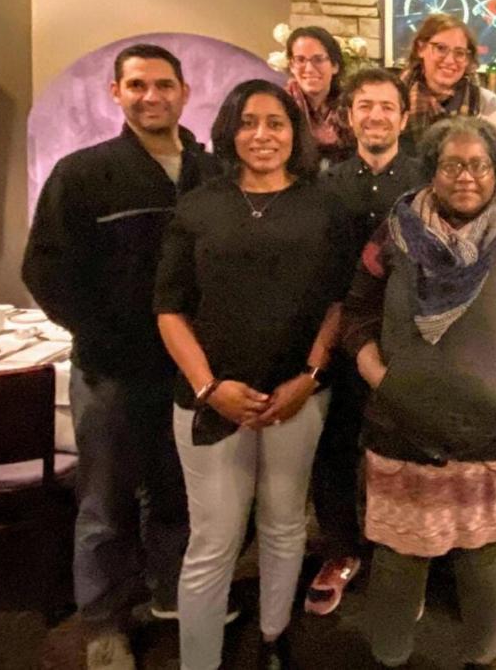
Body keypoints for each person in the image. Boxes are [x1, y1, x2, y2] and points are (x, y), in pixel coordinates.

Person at [340, 116, 496, 668]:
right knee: (398, 559)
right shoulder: (394, 230)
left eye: (480, 165)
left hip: (490, 429)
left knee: (487, 558)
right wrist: (375, 373)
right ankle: (390, 658)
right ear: (432, 171)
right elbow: (358, 309)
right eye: (452, 165)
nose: (466, 176)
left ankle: (480, 657)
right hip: (401, 427)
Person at [22, 44, 221, 670]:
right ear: (117, 93)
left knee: (176, 493)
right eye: (137, 85)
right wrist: (102, 335)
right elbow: (44, 270)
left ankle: (169, 593)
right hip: (111, 369)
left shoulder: (210, 176)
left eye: (164, 85)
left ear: (185, 93)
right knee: (105, 503)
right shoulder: (82, 174)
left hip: (187, 370)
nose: (151, 96)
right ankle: (104, 622)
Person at [154, 79, 360, 670]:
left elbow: (339, 302)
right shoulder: (199, 206)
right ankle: (199, 660)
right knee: (214, 540)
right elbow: (168, 307)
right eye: (249, 123)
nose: (262, 135)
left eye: (276, 122)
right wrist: (208, 388)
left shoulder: (325, 207)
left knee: (283, 521)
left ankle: (273, 636)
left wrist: (312, 376)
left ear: (295, 132)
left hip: (296, 396)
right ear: (230, 130)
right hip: (208, 398)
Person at [306, 67, 421, 616]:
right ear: (349, 117)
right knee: (334, 449)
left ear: (405, 115)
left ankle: (405, 556)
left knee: (404, 450)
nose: (376, 116)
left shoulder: (427, 180)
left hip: (407, 340)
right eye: (365, 106)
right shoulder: (325, 184)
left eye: (386, 106)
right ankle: (341, 549)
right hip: (338, 335)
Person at [398, 11, 496, 157]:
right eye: (441, 48)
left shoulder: (485, 103)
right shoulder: (396, 99)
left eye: (460, 53)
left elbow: (495, 162)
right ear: (420, 48)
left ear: (468, 59)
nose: (449, 60)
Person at [284, 25, 354, 167]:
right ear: (291, 65)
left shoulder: (350, 107)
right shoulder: (280, 106)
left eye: (318, 59)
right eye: (300, 60)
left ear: (335, 65)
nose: (309, 68)